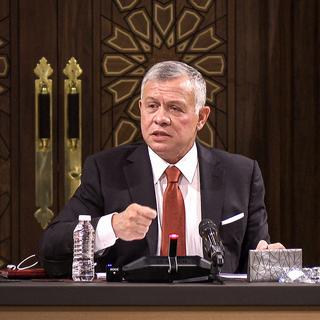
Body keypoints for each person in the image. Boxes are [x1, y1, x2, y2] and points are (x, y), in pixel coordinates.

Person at [39, 61, 283, 277]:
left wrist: (270, 258)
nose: (160, 118)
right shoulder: (106, 170)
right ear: (140, 109)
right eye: (152, 106)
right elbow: (50, 246)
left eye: (175, 108)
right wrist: (111, 227)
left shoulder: (241, 174)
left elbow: (258, 257)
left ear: (201, 117)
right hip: (131, 310)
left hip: (214, 309)